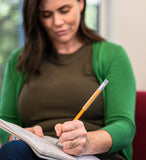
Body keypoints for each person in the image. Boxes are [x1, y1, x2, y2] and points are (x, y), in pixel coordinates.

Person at [0, 0, 136, 159]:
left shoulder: (112, 55)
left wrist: (88, 143)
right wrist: (17, 136)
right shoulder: (19, 60)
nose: (57, 22)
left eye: (64, 10)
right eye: (46, 15)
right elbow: (5, 121)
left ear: (81, 3)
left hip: (93, 154)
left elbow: (125, 126)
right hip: (34, 153)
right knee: (13, 150)